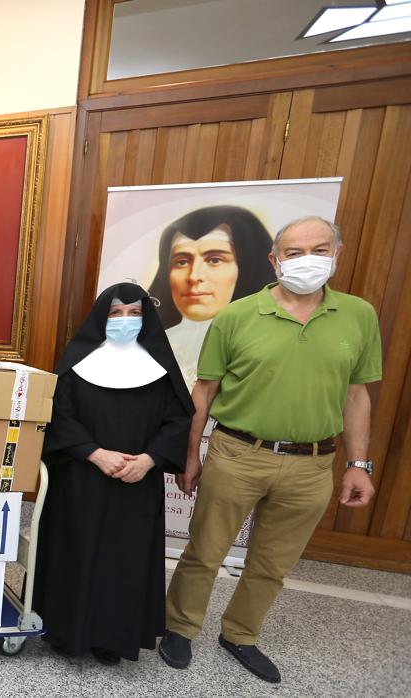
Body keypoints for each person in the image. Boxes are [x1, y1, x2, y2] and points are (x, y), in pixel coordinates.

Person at [160, 216, 381, 684]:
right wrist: (191, 455)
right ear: (274, 259)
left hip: (314, 463)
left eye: (319, 250)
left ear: (337, 254)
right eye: (294, 252)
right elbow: (204, 392)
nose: (307, 261)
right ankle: (179, 627)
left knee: (272, 562)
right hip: (239, 453)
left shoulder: (359, 316)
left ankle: (240, 634)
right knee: (205, 550)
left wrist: (359, 464)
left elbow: (356, 394)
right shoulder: (238, 316)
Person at [33, 282, 193, 665]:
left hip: (137, 483)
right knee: (74, 551)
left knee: (126, 561)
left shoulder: (160, 368)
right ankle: (63, 631)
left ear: (147, 317)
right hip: (80, 480)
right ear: (101, 318)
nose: (125, 321)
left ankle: (112, 640)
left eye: (134, 313)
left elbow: (177, 421)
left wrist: (149, 460)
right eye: (116, 313)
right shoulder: (77, 363)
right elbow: (59, 415)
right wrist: (94, 453)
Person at [146, 206, 275, 391]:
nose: (193, 276)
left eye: (214, 260)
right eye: (182, 262)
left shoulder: (265, 346)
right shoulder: (152, 343)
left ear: (247, 267)